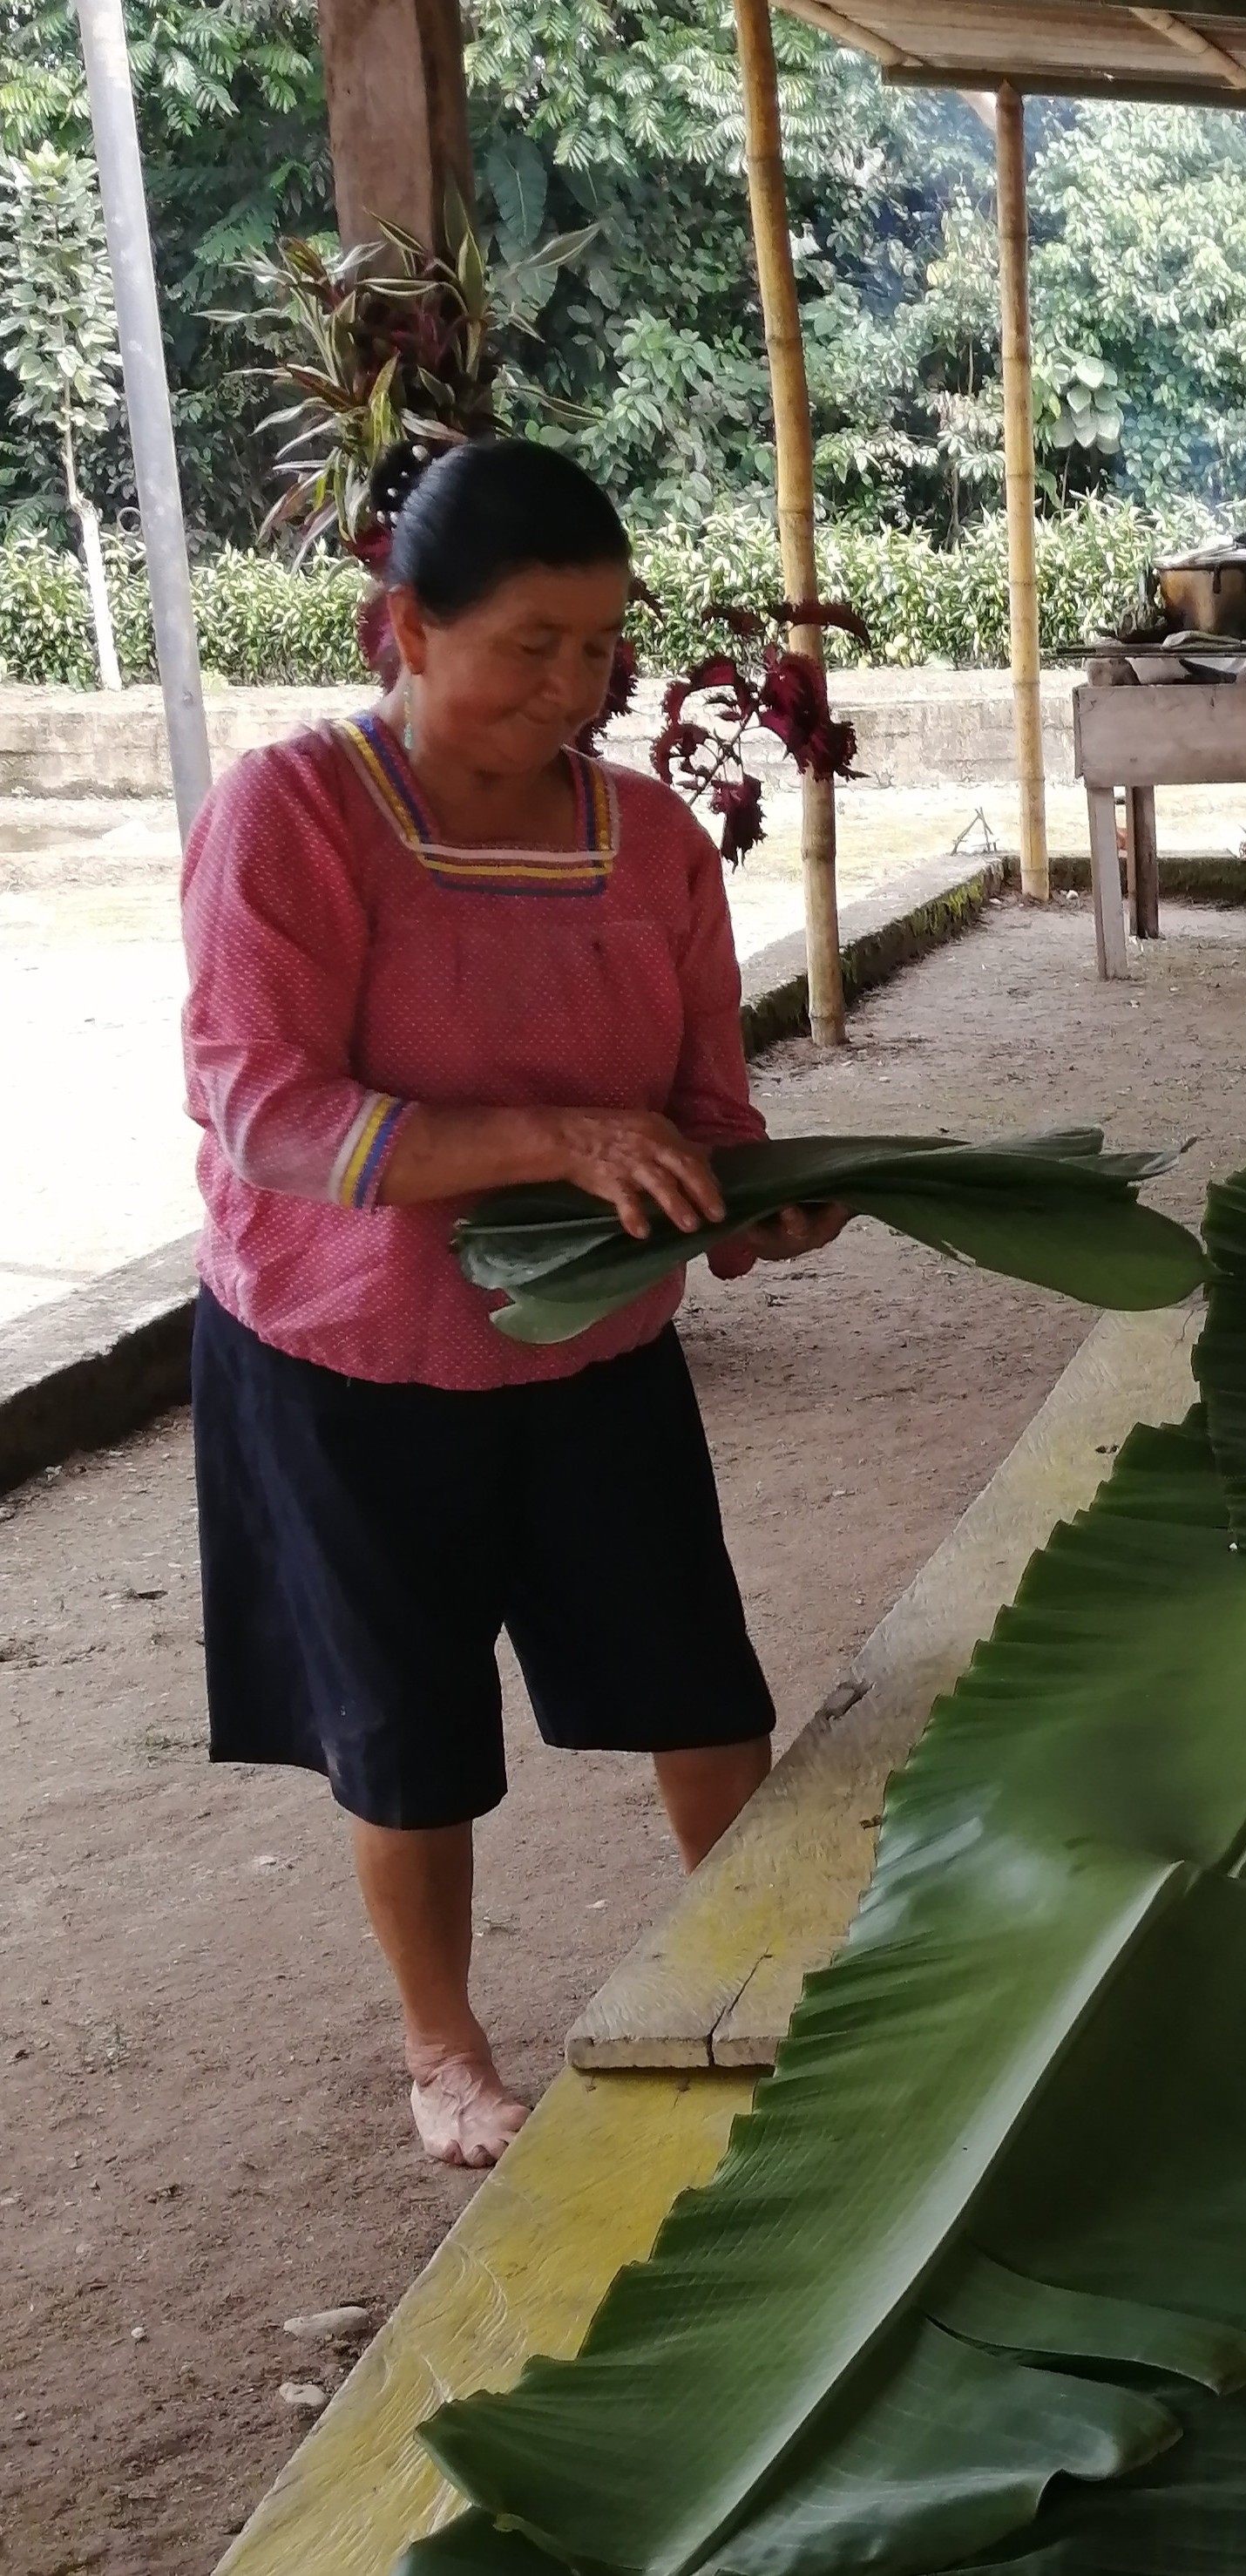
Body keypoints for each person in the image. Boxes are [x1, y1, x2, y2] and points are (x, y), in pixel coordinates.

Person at [179, 438, 846, 2168]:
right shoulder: (298, 814)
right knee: (407, 1738)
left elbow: (706, 1104)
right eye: (528, 644)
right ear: (404, 623)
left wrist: (749, 1212)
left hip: (593, 1345)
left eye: (600, 648)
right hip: (348, 1361)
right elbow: (263, 1106)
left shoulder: (647, 842)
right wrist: (550, 1133)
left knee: (702, 1690)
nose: (572, 688)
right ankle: (444, 2048)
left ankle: (763, 1972)